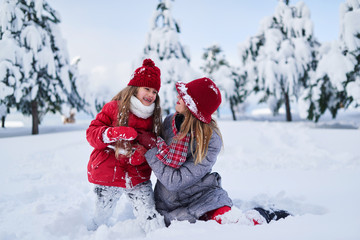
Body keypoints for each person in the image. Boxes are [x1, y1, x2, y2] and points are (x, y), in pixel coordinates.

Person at [142, 77, 290, 226]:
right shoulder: (169, 122)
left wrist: (149, 149)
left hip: (203, 197)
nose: (178, 97)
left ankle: (263, 213)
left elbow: (175, 181)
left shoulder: (210, 140)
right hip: (169, 204)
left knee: (236, 223)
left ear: (195, 106)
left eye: (184, 96)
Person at [86, 59, 165, 232]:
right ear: (135, 87)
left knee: (150, 217)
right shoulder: (114, 108)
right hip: (109, 175)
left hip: (137, 176)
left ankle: (158, 236)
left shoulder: (154, 118)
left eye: (154, 91)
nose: (151, 94)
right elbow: (91, 133)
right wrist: (113, 133)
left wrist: (144, 149)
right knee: (101, 217)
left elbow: (157, 144)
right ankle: (92, 233)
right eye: (147, 89)